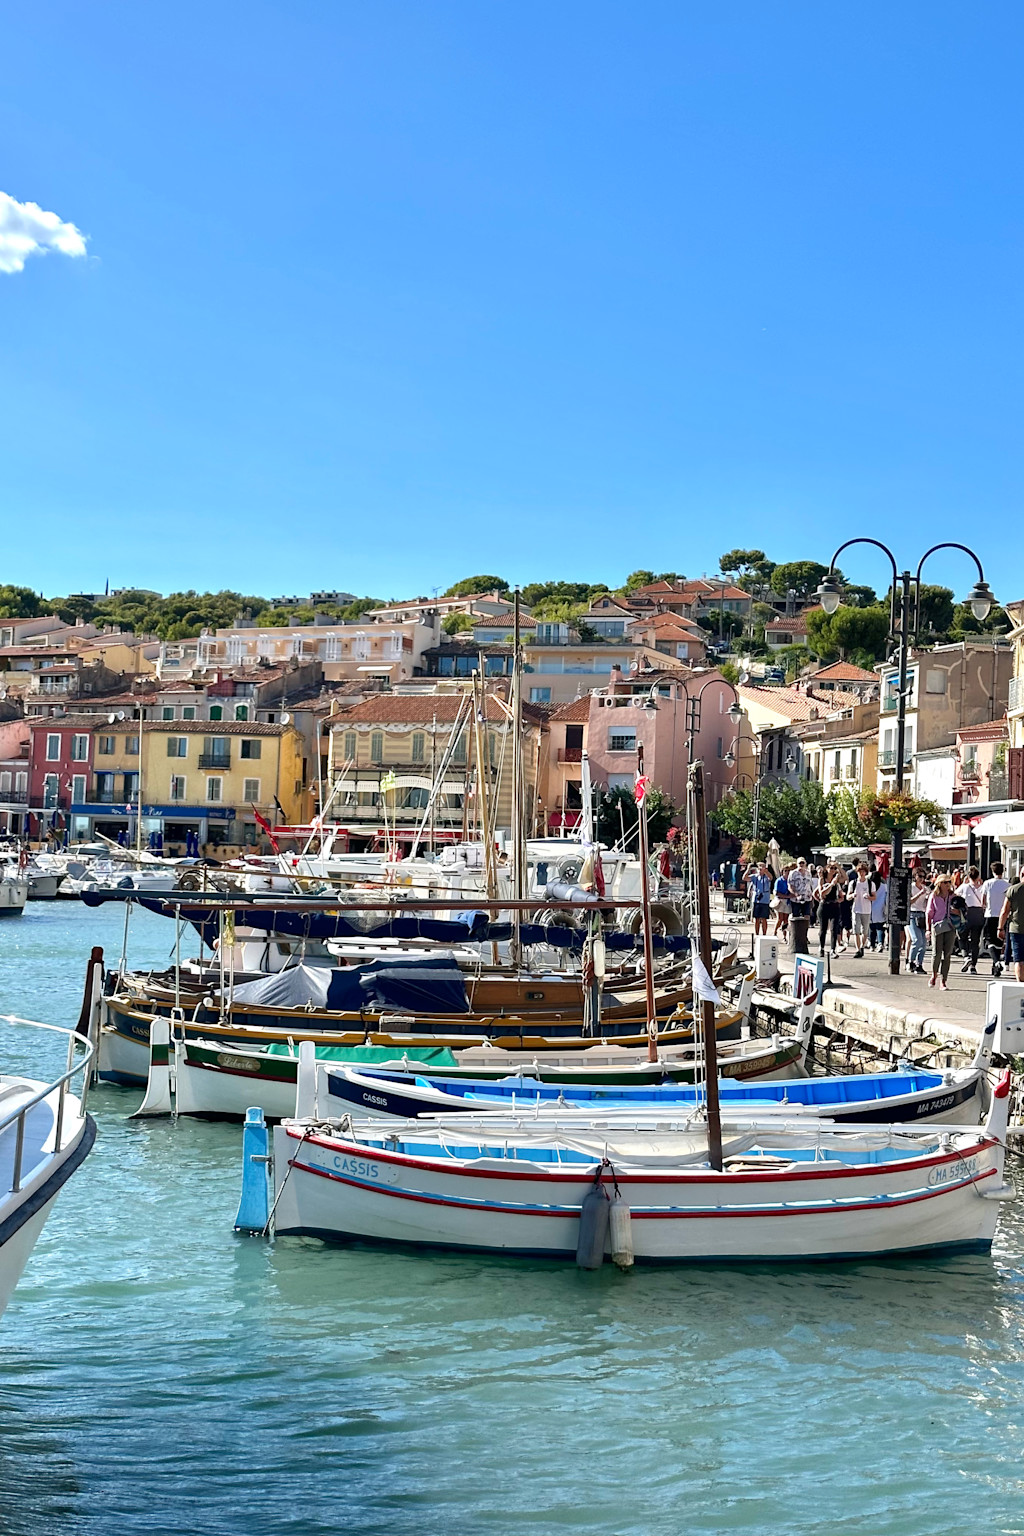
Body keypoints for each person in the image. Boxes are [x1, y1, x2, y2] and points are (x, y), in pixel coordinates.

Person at [927, 875, 957, 989]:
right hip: (937, 926)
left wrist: (957, 910)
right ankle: (934, 975)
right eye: (945, 882)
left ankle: (943, 980)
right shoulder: (934, 896)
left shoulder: (953, 896)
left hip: (950, 926)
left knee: (948, 954)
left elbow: (961, 911)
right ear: (939, 884)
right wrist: (928, 929)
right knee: (937, 953)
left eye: (949, 882)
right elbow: (929, 913)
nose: (948, 884)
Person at [956, 867, 986, 974]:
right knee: (975, 940)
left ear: (968, 876)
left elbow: (955, 895)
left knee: (962, 937)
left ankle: (965, 956)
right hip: (979, 914)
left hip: (967, 913)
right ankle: (973, 965)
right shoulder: (983, 887)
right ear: (978, 876)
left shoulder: (964, 887)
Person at [982, 862, 1008, 975]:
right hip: (1002, 916)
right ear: (1003, 871)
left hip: (990, 914)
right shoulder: (1007, 885)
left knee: (989, 940)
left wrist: (986, 907)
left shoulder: (987, 883)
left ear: (992, 871)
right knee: (999, 942)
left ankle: (996, 962)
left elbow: (983, 900)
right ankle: (996, 968)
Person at [997, 873, 1024, 983]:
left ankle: (1021, 986)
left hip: (1016, 929)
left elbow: (1005, 911)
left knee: (1019, 960)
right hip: (1016, 929)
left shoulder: (1013, 890)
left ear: (1021, 874)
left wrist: (1000, 928)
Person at [817, 863, 844, 957]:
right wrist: (831, 884)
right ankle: (822, 947)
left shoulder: (837, 882)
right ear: (827, 869)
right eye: (831, 868)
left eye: (834, 868)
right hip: (824, 905)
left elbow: (841, 896)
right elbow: (822, 894)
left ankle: (833, 949)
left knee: (834, 929)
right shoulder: (822, 879)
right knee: (823, 929)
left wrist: (839, 900)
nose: (832, 870)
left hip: (834, 906)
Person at [848, 862, 873, 958]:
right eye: (859, 872)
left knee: (865, 931)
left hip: (866, 910)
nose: (861, 873)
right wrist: (852, 895)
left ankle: (862, 946)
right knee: (856, 930)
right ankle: (858, 949)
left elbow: (874, 896)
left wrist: (869, 897)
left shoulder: (870, 883)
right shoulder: (853, 883)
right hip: (856, 909)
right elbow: (847, 896)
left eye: (863, 872)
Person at [907, 869, 930, 973]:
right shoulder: (911, 887)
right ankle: (910, 962)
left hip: (922, 914)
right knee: (917, 940)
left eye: (923, 877)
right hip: (913, 914)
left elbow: (926, 904)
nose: (921, 879)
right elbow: (909, 902)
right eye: (920, 876)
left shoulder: (925, 888)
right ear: (915, 876)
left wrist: (927, 898)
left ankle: (919, 964)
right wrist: (920, 894)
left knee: (924, 942)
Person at [746, 861, 773, 937]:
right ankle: (757, 934)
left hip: (765, 900)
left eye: (762, 866)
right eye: (759, 867)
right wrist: (748, 869)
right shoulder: (755, 876)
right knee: (757, 918)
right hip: (756, 899)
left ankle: (764, 934)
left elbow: (771, 878)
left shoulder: (766, 877)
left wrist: (766, 871)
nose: (761, 868)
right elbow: (745, 878)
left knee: (764, 918)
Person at [869, 871, 888, 953]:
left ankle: (872, 945)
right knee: (880, 928)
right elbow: (887, 897)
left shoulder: (870, 886)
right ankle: (880, 943)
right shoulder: (884, 886)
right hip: (881, 908)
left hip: (870, 908)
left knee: (872, 928)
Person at [773, 865, 791, 937]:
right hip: (780, 901)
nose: (787, 872)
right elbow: (777, 892)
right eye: (785, 871)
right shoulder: (779, 880)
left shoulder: (790, 881)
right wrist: (787, 896)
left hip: (787, 901)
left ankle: (784, 936)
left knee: (786, 920)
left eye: (788, 871)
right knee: (780, 919)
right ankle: (775, 932)